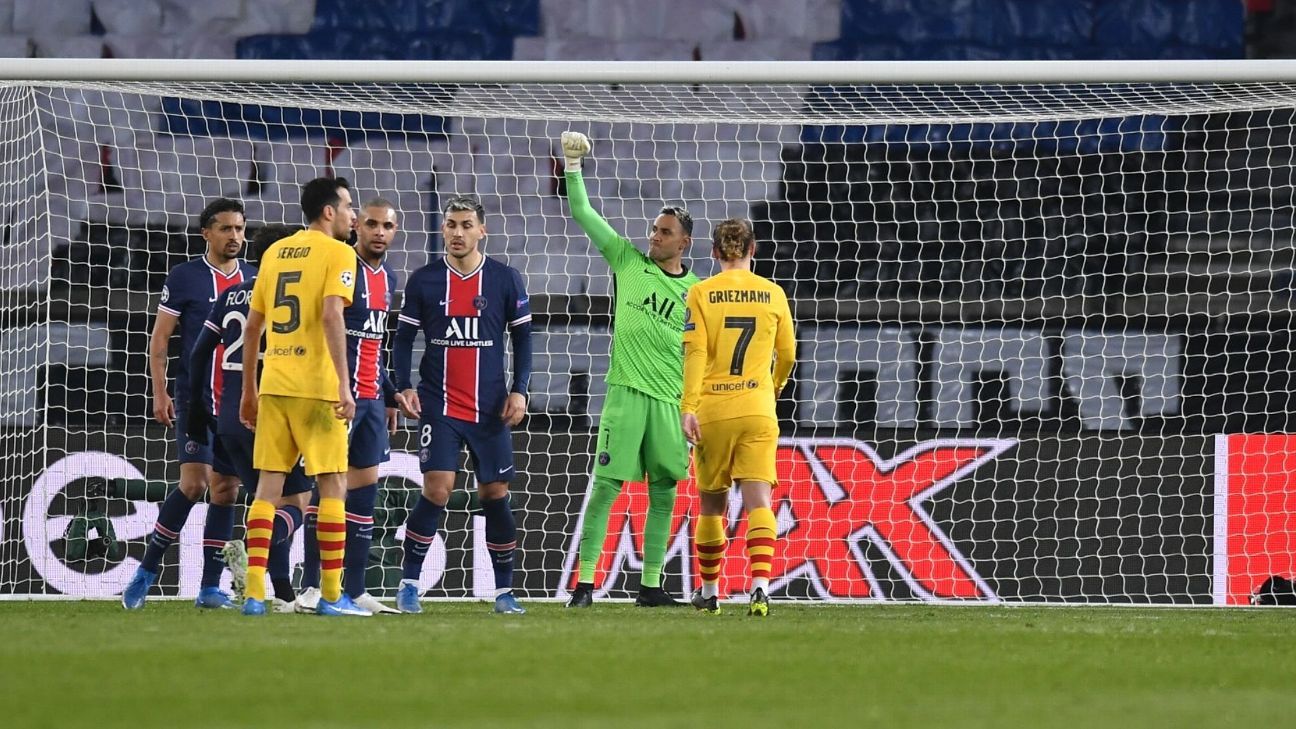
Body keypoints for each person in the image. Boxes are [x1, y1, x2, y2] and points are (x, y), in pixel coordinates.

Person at [558, 131, 700, 608]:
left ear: (685, 242)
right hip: (626, 393)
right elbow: (583, 214)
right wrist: (573, 168)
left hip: (671, 401)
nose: (653, 236)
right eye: (654, 229)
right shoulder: (626, 260)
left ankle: (652, 586)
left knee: (665, 492)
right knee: (606, 489)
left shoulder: (697, 291)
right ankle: (584, 586)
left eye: (664, 232)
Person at [391, 195, 532, 615]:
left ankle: (504, 591)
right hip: (440, 404)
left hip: (490, 406)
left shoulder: (505, 279)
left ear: (481, 230)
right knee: (437, 489)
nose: (457, 232)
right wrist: (403, 385)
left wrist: (520, 389)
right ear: (443, 229)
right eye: (451, 224)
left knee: (495, 492)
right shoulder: (425, 281)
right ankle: (409, 584)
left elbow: (523, 338)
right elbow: (401, 339)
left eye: (466, 225)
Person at [238, 176, 367, 617]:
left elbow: (252, 326)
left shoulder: (274, 252)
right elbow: (332, 314)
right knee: (333, 485)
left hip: (274, 384)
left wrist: (248, 391)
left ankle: (254, 593)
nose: (355, 215)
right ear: (328, 211)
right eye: (349, 206)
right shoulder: (340, 253)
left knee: (266, 489)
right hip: (316, 389)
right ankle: (332, 596)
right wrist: (344, 384)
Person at [122, 197, 256, 610]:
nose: (234, 237)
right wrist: (159, 391)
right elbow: (161, 338)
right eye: (225, 229)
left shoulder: (256, 278)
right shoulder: (185, 276)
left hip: (234, 400)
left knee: (225, 491)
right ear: (206, 233)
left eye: (239, 229)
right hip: (194, 396)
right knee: (194, 484)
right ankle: (146, 569)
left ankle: (209, 587)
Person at [185, 223, 314, 613]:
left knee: (263, 499)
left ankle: (281, 593)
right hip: (274, 410)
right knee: (297, 502)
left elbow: (196, 356)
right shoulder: (289, 296)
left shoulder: (230, 293)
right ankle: (255, 555)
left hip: (228, 416)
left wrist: (201, 410)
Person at [680, 218, 796, 617]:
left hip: (714, 409)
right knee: (759, 500)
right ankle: (761, 588)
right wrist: (775, 386)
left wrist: (688, 407)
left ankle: (711, 592)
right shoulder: (774, 293)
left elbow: (695, 353)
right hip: (758, 409)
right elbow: (790, 354)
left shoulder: (700, 292)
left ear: (714, 252)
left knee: (712, 506)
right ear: (753, 250)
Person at [296, 199, 406, 615]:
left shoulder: (390, 277)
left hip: (372, 400)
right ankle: (311, 586)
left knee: (364, 494)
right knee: (327, 493)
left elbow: (374, 344)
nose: (380, 232)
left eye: (388, 226)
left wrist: (392, 392)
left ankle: (355, 589)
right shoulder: (343, 268)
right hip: (336, 398)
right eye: (372, 224)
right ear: (356, 226)